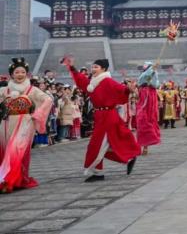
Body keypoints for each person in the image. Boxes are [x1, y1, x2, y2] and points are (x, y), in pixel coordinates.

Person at [65, 58, 141, 182]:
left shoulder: (107, 81)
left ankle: (98, 173)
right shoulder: (93, 83)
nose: (93, 69)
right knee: (107, 146)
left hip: (108, 117)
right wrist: (72, 68)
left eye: (96, 67)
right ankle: (129, 158)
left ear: (104, 69)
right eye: (92, 67)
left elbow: (120, 89)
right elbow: (81, 80)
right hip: (100, 116)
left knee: (96, 145)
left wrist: (128, 89)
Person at [0, 58, 53, 193]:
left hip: (24, 124)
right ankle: (15, 179)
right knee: (6, 152)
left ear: (27, 74)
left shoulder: (32, 90)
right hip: (6, 124)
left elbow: (48, 99)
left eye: (23, 72)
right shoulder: (4, 90)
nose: (20, 74)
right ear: (11, 74)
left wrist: (37, 114)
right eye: (17, 72)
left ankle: (9, 181)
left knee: (16, 151)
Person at [136, 62, 161, 156]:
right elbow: (141, 80)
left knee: (147, 119)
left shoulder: (154, 73)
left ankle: (145, 145)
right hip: (143, 95)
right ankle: (142, 145)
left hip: (149, 96)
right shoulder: (145, 74)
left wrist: (152, 70)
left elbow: (156, 84)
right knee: (142, 119)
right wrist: (151, 69)